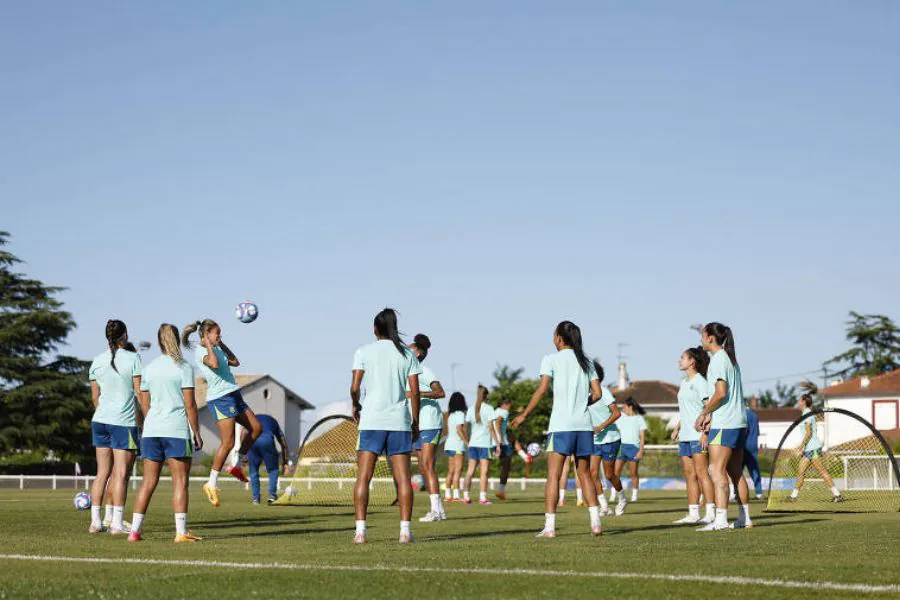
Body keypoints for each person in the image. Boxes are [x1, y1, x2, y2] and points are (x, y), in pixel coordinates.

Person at [512, 321, 603, 538]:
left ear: (560, 338)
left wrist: (524, 415)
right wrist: (582, 403)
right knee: (585, 475)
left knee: (553, 475)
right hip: (584, 426)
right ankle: (596, 523)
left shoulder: (550, 359)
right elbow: (597, 394)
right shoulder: (587, 362)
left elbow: (542, 390)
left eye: (554, 335)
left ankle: (550, 528)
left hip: (561, 426)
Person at [350, 308, 422, 544]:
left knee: (364, 477)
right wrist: (415, 422)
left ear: (375, 329)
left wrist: (355, 404)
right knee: (403, 479)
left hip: (371, 421)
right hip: (399, 422)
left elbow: (354, 386)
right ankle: (404, 531)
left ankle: (360, 531)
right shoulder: (407, 355)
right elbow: (415, 392)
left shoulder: (363, 351)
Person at [128, 324, 203, 543]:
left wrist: (152, 421)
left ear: (159, 341)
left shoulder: (149, 368)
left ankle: (134, 532)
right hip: (176, 432)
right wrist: (196, 431)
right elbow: (190, 405)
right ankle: (181, 533)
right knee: (180, 482)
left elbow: (144, 403)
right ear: (177, 340)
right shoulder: (184, 368)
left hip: (152, 432)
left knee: (148, 482)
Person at [183, 319, 262, 507]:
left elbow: (235, 361)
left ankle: (235, 464)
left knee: (256, 428)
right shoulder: (201, 352)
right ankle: (211, 483)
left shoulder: (217, 347)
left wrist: (220, 344)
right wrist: (209, 344)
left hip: (233, 393)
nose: (220, 336)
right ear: (206, 334)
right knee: (228, 442)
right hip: (220, 399)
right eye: (217, 333)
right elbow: (214, 364)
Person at [694, 322, 752, 531]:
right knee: (735, 472)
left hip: (725, 423)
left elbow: (720, 392)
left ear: (710, 337)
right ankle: (745, 518)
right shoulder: (731, 359)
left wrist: (704, 412)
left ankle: (720, 520)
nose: (700, 340)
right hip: (738, 422)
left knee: (715, 470)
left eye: (702, 335)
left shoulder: (718, 359)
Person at [88, 320, 142, 535]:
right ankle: (117, 524)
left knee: (102, 473)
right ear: (125, 336)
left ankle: (95, 522)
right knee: (120, 473)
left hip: (100, 420)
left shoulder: (97, 361)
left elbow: (94, 397)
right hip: (123, 422)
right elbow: (139, 392)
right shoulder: (133, 358)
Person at [671, 347, 716, 525]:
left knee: (702, 473)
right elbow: (687, 411)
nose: (679, 360)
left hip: (698, 435)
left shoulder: (701, 382)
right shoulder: (683, 382)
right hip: (685, 435)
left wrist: (705, 433)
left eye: (682, 357)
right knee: (689, 474)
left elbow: (709, 409)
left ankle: (711, 513)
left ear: (692, 361)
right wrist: (677, 427)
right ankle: (693, 513)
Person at [409, 334, 448, 522]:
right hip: (416, 424)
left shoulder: (425, 371)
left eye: (410, 349)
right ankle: (439, 510)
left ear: (417, 353)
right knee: (423, 467)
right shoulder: (408, 374)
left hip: (430, 423)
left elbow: (441, 392)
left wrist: (416, 393)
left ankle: (435, 511)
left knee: (427, 464)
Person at [789, 390, 844, 503]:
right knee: (801, 472)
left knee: (821, 471)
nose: (798, 403)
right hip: (809, 449)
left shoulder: (807, 414)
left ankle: (837, 495)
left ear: (804, 402)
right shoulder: (806, 413)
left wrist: (801, 445)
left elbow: (809, 433)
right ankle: (793, 496)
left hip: (812, 448)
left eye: (799, 401)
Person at [587, 361, 625, 516]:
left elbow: (617, 413)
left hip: (611, 438)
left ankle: (622, 498)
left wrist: (600, 427)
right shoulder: (585, 395)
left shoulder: (604, 392)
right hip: (595, 441)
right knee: (592, 473)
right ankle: (604, 506)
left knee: (609, 475)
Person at [462, 385, 501, 505]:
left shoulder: (471, 408)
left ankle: (466, 497)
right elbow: (491, 428)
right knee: (484, 472)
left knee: (470, 471)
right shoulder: (489, 408)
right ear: (486, 395)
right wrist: (498, 444)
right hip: (485, 445)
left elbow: (464, 427)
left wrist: (468, 441)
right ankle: (483, 498)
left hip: (473, 444)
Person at [242, 414, 288, 505]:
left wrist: (243, 452)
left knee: (253, 471)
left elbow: (243, 432)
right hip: (267, 441)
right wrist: (285, 462)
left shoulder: (252, 418)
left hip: (253, 442)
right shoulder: (273, 421)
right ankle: (272, 496)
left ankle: (256, 499)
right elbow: (283, 442)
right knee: (273, 470)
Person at [614, 398, 647, 503]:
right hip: (622, 447)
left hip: (634, 448)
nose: (622, 409)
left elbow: (642, 437)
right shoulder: (620, 418)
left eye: (624, 407)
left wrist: (641, 450)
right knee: (615, 473)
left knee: (633, 473)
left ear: (630, 407)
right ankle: (615, 494)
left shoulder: (639, 419)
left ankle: (634, 496)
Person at [443, 392, 469, 503]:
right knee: (458, 471)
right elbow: (459, 430)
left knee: (451, 471)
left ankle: (448, 495)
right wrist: (467, 443)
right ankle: (456, 496)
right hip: (457, 445)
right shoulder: (460, 414)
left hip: (449, 444)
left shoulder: (451, 415)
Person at [493, 397, 514, 501]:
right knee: (506, 466)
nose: (510, 407)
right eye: (510, 405)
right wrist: (500, 439)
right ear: (505, 404)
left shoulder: (495, 411)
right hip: (502, 443)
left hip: (491, 441)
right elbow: (498, 423)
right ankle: (501, 491)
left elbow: (501, 423)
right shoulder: (504, 412)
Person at [744, 405, 763, 499]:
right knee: (754, 469)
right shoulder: (755, 416)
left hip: (743, 446)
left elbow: (744, 430)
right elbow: (758, 432)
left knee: (737, 471)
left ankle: (736, 493)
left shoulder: (742, 415)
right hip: (753, 445)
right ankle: (759, 492)